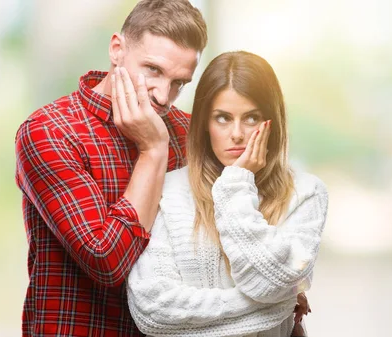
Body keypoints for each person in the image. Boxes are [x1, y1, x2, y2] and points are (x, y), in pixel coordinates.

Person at [14, 1, 207, 336]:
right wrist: (152, 151)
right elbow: (107, 261)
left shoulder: (192, 135)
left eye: (179, 83)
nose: (164, 96)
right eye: (153, 70)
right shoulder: (49, 131)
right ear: (117, 49)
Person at [126, 51, 329, 336]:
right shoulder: (169, 192)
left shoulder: (306, 193)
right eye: (222, 118)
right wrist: (278, 305)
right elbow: (152, 310)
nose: (237, 134)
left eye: (251, 118)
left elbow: (268, 281)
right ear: (204, 124)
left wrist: (236, 184)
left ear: (272, 121)